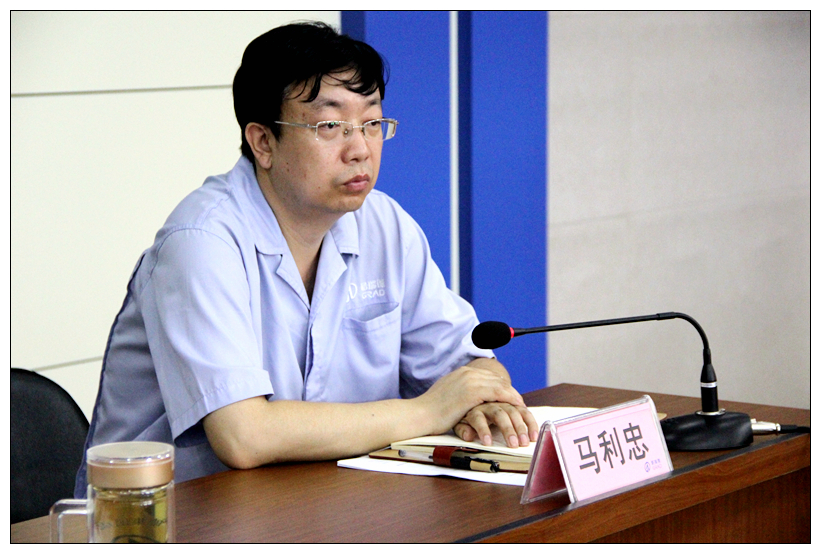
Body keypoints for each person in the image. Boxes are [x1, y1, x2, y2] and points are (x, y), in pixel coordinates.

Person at [75, 21, 537, 496]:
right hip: (165, 515)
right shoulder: (202, 241)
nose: (360, 150)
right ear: (263, 142)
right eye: (330, 127)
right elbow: (244, 436)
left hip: (323, 498)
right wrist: (430, 410)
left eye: (372, 123)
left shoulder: (385, 225)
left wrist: (483, 400)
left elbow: (469, 365)